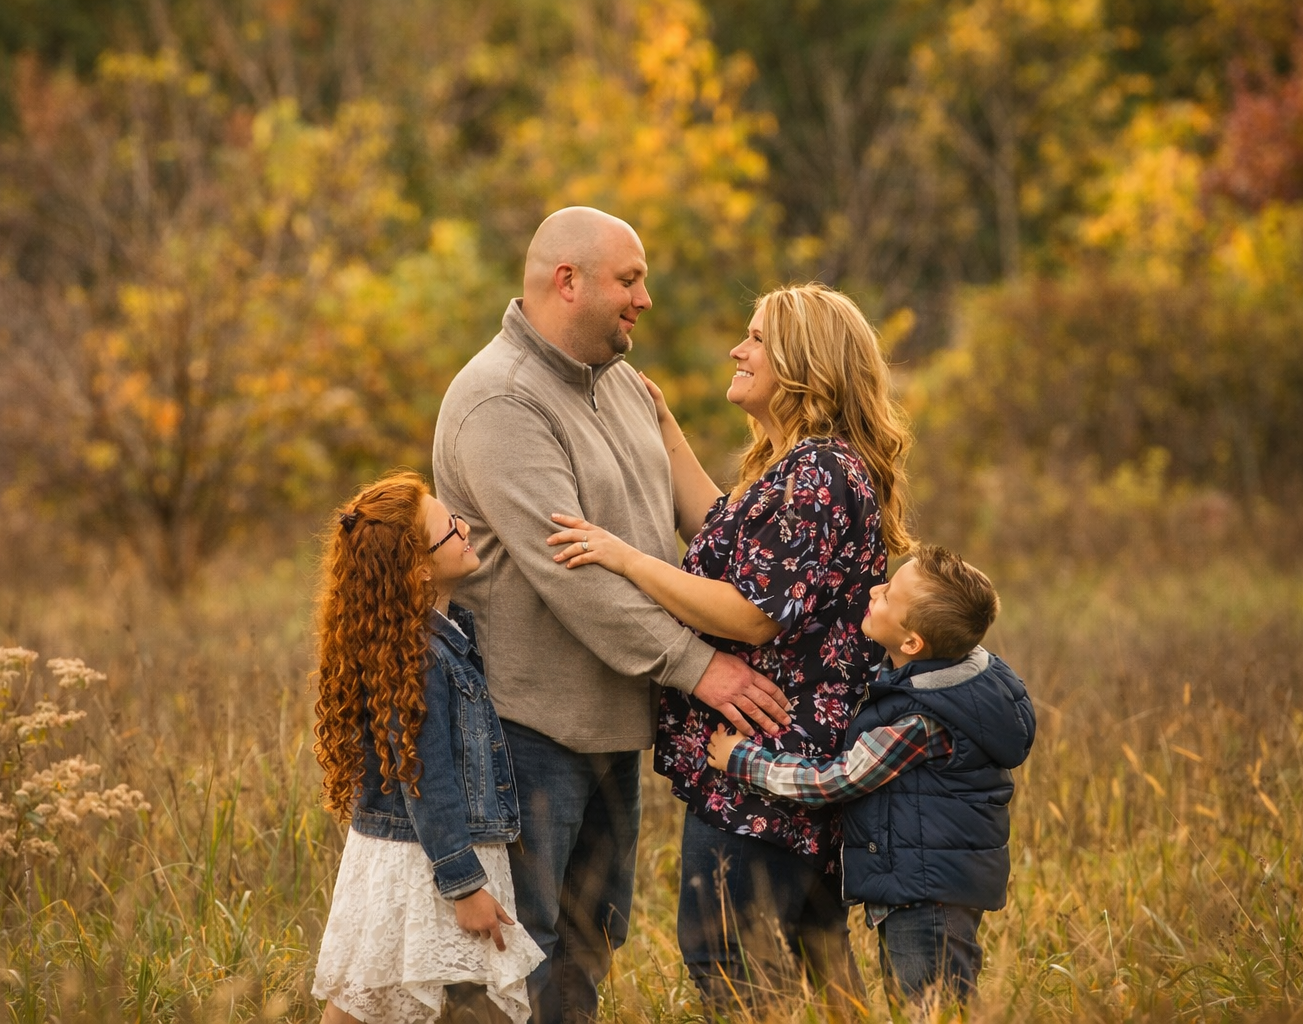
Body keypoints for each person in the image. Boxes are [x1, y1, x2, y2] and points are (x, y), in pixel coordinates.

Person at [432, 207, 791, 1024]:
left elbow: (706, 533)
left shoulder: (626, 388)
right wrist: (702, 668)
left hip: (613, 725)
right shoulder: (500, 402)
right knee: (510, 960)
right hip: (523, 728)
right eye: (630, 280)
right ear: (569, 281)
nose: (646, 298)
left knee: (592, 943)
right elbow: (578, 582)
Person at [546, 283, 914, 1012]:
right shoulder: (800, 465)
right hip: (789, 755)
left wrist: (620, 556)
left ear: (804, 363)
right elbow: (720, 529)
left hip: (766, 759)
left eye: (755, 339)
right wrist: (665, 425)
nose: (738, 351)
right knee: (823, 964)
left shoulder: (818, 472)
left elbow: (752, 613)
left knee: (728, 963)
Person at [706, 546, 1037, 1014]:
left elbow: (836, 782)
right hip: (930, 885)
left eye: (888, 597)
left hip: (926, 894)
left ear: (913, 644)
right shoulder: (949, 672)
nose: (875, 590)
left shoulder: (920, 723)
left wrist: (744, 760)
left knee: (930, 1009)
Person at [310, 470, 544, 1024]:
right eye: (450, 528)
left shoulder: (429, 640)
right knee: (370, 999)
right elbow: (426, 778)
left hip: (412, 853)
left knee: (373, 996)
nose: (466, 528)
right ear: (418, 570)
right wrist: (464, 885)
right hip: (426, 861)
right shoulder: (422, 657)